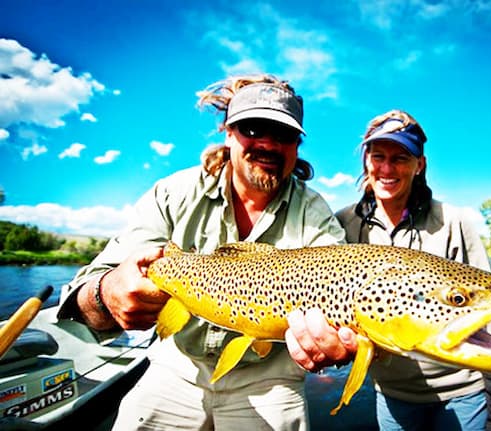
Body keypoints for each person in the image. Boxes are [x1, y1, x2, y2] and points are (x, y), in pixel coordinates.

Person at [56, 73, 356, 431]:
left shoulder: (315, 212)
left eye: (284, 135)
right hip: (176, 367)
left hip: (269, 379)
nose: (269, 144)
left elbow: (343, 282)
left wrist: (334, 339)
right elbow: (83, 295)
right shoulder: (173, 193)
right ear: (228, 133)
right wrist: (107, 293)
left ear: (296, 145)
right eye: (254, 129)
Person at [334, 110, 491, 431]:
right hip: (391, 395)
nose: (387, 168)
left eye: (401, 158)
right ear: (366, 161)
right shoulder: (344, 223)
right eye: (378, 156)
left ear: (419, 164)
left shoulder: (454, 221)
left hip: (463, 392)